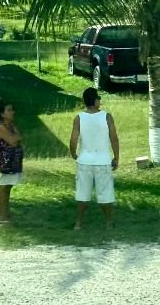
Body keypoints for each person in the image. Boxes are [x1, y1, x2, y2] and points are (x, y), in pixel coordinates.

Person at [69, 87, 120, 230]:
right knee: (105, 193)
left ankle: (78, 223)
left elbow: (73, 140)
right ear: (95, 100)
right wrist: (116, 157)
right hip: (103, 161)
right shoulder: (107, 117)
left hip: (84, 160)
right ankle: (108, 223)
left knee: (82, 194)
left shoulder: (79, 118)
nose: (100, 100)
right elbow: (114, 139)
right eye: (98, 98)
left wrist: (74, 154)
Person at [0, 102, 23, 224]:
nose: (12, 112)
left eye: (12, 110)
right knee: (4, 186)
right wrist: (16, 137)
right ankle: (2, 216)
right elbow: (14, 141)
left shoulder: (11, 126)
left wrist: (16, 137)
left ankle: (6, 214)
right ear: (2, 114)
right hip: (6, 161)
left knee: (8, 186)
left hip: (14, 160)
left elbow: (19, 137)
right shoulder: (0, 127)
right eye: (9, 110)